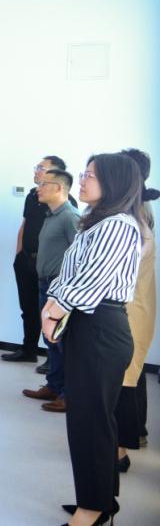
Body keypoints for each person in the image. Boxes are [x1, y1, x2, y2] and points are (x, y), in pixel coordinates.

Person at [42, 153, 143, 526]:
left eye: (90, 175)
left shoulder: (119, 225)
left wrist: (54, 310)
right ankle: (100, 500)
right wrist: (52, 302)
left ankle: (94, 508)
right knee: (89, 418)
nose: (82, 180)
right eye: (84, 173)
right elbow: (68, 273)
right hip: (88, 324)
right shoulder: (98, 223)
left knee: (91, 421)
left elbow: (91, 280)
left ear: (114, 183)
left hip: (101, 327)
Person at [20, 169, 80, 413]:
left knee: (61, 342)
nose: (38, 188)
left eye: (44, 184)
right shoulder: (51, 214)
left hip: (59, 288)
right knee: (51, 339)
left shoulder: (70, 216)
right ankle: (53, 386)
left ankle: (68, 395)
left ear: (59, 188)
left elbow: (80, 257)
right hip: (46, 283)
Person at [115, 148, 158, 472]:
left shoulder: (135, 216)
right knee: (129, 375)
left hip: (131, 306)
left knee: (125, 379)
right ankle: (130, 438)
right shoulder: (135, 209)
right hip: (133, 304)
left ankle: (121, 448)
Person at [3, 155, 70, 363]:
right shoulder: (32, 196)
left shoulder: (66, 205)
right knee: (28, 309)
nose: (36, 171)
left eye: (41, 168)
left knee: (49, 313)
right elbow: (25, 225)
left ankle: (53, 360)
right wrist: (18, 255)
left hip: (50, 268)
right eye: (37, 167)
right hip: (26, 261)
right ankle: (29, 350)